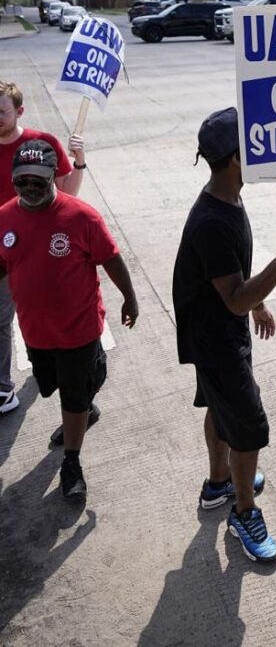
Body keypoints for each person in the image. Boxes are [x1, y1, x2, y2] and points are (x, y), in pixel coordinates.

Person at [172, 107, 276, 565]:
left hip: (216, 327)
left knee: (220, 408)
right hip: (216, 336)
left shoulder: (228, 196)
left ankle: (218, 484)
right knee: (248, 426)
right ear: (234, 158)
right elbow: (232, 296)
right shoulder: (212, 219)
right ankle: (243, 511)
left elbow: (230, 278)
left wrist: (259, 301)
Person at [0, 140, 138, 497]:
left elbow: (111, 258)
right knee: (54, 384)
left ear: (52, 178)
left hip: (79, 329)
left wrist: (130, 297)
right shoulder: (4, 219)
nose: (30, 189)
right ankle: (84, 400)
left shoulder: (82, 216)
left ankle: (72, 462)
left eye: (38, 181)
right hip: (35, 332)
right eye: (22, 182)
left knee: (73, 397)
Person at [0, 80, 87, 419]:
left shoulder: (42, 144)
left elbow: (68, 191)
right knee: (0, 319)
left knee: (49, 316)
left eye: (2, 111)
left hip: (43, 250)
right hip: (2, 250)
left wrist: (78, 159)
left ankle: (63, 370)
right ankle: (4, 388)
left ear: (19, 111)